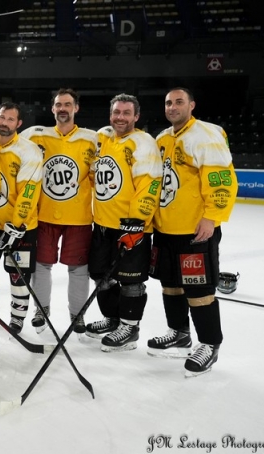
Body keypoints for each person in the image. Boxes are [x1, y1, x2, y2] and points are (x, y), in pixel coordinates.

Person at [147, 87, 237, 377]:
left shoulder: (206, 135)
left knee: (199, 290)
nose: (173, 107)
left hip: (194, 231)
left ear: (192, 105)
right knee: (170, 285)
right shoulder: (162, 138)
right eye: (168, 102)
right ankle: (179, 333)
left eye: (179, 102)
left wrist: (211, 218)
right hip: (165, 229)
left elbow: (222, 180)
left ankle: (209, 344)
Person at [85, 94, 162, 351]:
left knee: (130, 279)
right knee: (100, 274)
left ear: (136, 116)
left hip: (130, 226)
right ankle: (113, 319)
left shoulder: (143, 143)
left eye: (126, 113)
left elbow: (150, 184)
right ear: (110, 114)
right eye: (117, 112)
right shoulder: (103, 138)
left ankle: (129, 327)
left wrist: (137, 223)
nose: (121, 117)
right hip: (102, 224)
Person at [20, 88, 96, 334]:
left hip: (79, 216)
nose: (62, 108)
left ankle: (78, 314)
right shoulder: (35, 135)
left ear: (76, 108)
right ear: (52, 109)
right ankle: (41, 310)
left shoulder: (93, 139)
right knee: (42, 265)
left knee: (78, 269)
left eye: (67, 104)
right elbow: (7, 140)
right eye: (58, 104)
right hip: (44, 214)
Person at [0, 102, 43, 333]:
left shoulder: (29, 151)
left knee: (17, 272)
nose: (4, 123)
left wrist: (15, 226)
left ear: (19, 124)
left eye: (10, 119)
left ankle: (17, 316)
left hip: (21, 225)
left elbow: (28, 193)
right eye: (1, 117)